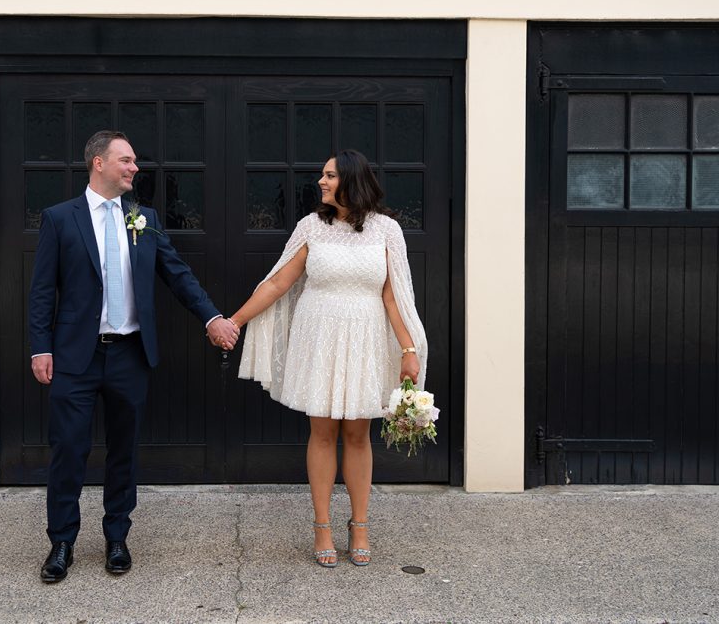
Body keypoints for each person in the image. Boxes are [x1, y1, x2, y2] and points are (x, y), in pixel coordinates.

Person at [28, 130, 239, 583]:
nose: (134, 168)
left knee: (124, 451)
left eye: (134, 161)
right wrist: (40, 346)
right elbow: (43, 290)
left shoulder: (144, 217)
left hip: (129, 355)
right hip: (74, 358)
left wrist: (212, 318)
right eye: (126, 160)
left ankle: (117, 536)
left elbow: (177, 275)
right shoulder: (61, 219)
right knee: (68, 449)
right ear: (98, 163)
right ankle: (62, 541)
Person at [233, 149, 427, 568]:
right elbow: (279, 281)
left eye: (330, 176)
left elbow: (395, 297)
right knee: (321, 432)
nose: (321, 182)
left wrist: (409, 350)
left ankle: (360, 525)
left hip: (365, 336)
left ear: (352, 180)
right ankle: (322, 525)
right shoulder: (311, 227)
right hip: (319, 334)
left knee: (358, 434)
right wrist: (235, 320)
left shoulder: (387, 230)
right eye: (322, 176)